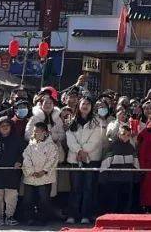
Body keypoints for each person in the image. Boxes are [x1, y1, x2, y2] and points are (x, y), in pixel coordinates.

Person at [65, 96, 105, 224]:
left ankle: (85, 215)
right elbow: (69, 137)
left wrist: (84, 151)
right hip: (74, 159)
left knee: (88, 188)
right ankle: (72, 215)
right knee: (75, 188)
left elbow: (96, 139)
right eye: (83, 103)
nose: (85, 106)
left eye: (88, 103)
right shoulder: (72, 120)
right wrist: (78, 151)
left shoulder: (97, 121)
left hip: (91, 158)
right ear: (79, 105)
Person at [20, 121, 59, 225]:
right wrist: (31, 171)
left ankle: (43, 219)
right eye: (34, 131)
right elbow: (26, 159)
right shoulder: (30, 145)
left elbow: (53, 159)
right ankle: (29, 218)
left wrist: (44, 171)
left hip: (45, 177)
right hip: (30, 177)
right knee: (28, 199)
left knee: (44, 200)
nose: (35, 134)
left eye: (37, 131)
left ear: (45, 132)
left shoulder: (52, 146)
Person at [100, 124, 141, 214]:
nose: (125, 136)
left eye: (128, 135)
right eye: (123, 134)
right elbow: (105, 164)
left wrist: (137, 176)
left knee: (126, 202)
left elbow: (136, 164)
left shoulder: (131, 147)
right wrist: (103, 178)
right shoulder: (112, 147)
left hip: (127, 179)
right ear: (119, 134)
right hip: (114, 180)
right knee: (113, 202)